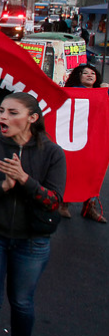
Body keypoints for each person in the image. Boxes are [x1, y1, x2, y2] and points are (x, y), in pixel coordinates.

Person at [0, 92, 65, 336]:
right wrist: (3, 186)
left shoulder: (53, 153)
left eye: (13, 113)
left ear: (32, 118)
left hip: (32, 242)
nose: (3, 116)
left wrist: (24, 180)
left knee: (22, 303)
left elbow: (54, 202)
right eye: (1, 111)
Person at [60, 63, 108, 222]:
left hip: (95, 139)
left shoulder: (102, 93)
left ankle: (89, 207)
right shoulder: (72, 92)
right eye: (85, 73)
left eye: (92, 73)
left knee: (94, 173)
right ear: (78, 76)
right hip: (76, 137)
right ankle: (64, 203)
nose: (89, 75)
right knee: (72, 169)